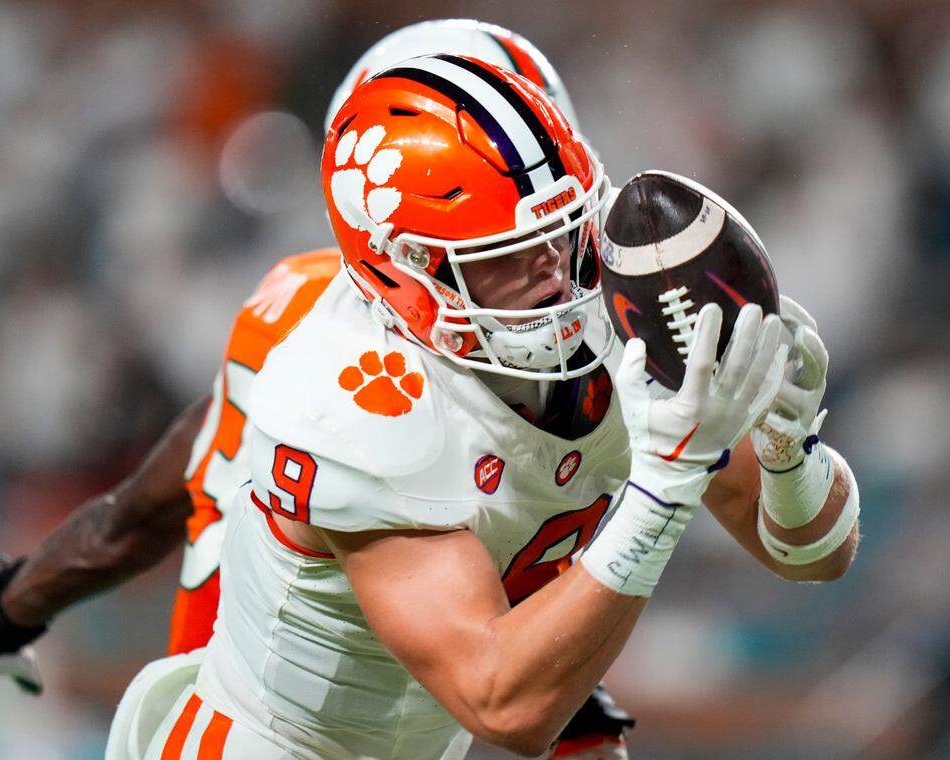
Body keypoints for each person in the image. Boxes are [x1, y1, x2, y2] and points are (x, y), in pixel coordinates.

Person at [0, 19, 638, 759]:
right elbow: (158, 503)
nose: (546, 253)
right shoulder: (329, 358)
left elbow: (134, 516)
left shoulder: (511, 333)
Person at [131, 54, 859, 759]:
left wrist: (787, 454)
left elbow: (811, 556)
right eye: (508, 254)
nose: (558, 275)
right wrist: (663, 487)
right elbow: (505, 704)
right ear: (405, 272)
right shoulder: (350, 399)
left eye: (564, 231)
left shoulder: (614, 304)